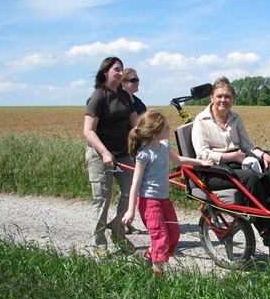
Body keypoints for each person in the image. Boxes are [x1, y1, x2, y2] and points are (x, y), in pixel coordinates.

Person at [191, 76, 270, 247]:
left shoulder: (235, 118)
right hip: (212, 170)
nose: (223, 100)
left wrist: (264, 155)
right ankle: (267, 232)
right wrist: (232, 156)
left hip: (236, 164)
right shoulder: (201, 121)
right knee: (249, 179)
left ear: (233, 99)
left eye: (227, 96)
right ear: (212, 98)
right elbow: (202, 154)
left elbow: (246, 146)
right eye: (219, 96)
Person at [122, 109, 213, 276]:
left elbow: (178, 160)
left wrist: (200, 162)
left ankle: (148, 255)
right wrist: (130, 209)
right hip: (149, 202)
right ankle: (159, 277)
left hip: (164, 200)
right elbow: (135, 183)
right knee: (160, 239)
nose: (170, 129)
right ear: (156, 134)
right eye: (166, 128)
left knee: (174, 235)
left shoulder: (164, 147)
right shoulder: (144, 155)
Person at [83, 56, 138, 257]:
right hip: (100, 155)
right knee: (102, 198)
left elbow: (135, 123)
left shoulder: (124, 95)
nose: (119, 72)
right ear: (105, 72)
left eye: (121, 69)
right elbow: (88, 130)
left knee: (132, 191)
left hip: (123, 154)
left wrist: (147, 138)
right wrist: (104, 152)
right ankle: (99, 243)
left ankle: (116, 230)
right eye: (116, 69)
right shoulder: (98, 96)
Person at [121, 68, 147, 235]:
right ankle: (121, 224)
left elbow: (146, 125)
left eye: (137, 80)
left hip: (134, 152)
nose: (136, 83)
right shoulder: (118, 102)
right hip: (118, 150)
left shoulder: (138, 103)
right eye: (132, 80)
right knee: (126, 188)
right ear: (122, 82)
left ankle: (126, 222)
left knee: (130, 187)